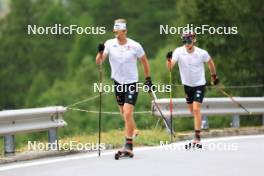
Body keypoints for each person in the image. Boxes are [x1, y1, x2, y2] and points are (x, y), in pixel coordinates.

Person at [95, 18, 153, 154]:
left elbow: (144, 62)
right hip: (118, 83)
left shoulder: (135, 45)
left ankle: (128, 144)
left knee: (127, 112)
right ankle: (134, 130)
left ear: (125, 31)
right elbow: (99, 62)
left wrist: (148, 79)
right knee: (123, 113)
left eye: (119, 31)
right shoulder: (109, 43)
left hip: (132, 83)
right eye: (115, 31)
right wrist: (100, 52)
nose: (116, 33)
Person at [166, 30, 219, 148]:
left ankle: (197, 137)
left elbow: (210, 63)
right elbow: (170, 68)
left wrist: (214, 76)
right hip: (187, 85)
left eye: (189, 40)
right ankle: (200, 122)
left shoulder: (201, 53)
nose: (187, 43)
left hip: (199, 84)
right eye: (184, 41)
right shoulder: (179, 51)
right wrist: (168, 60)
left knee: (196, 109)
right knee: (192, 110)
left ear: (194, 40)